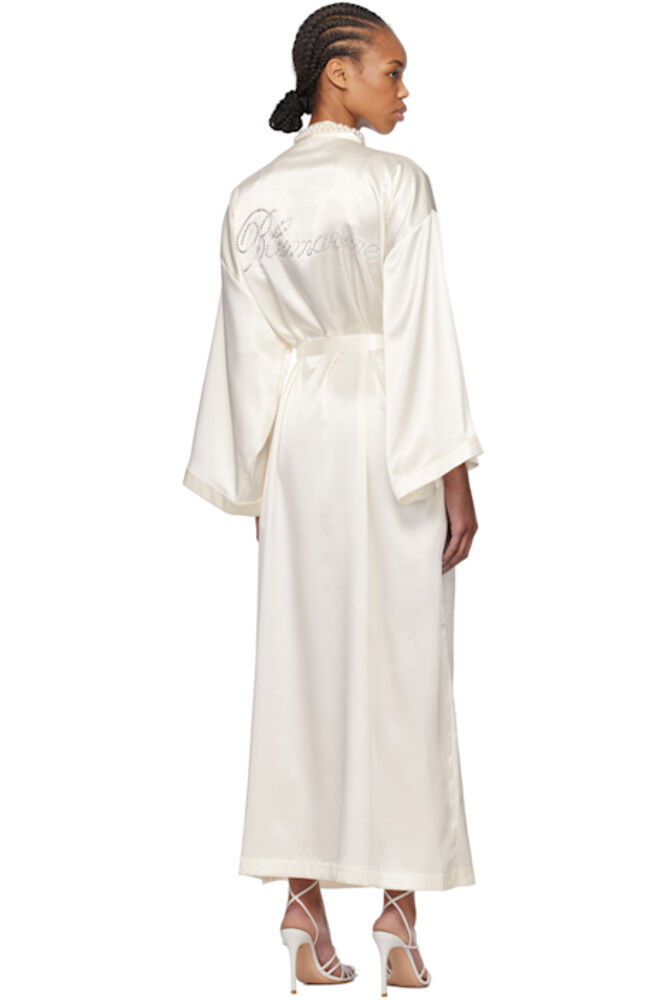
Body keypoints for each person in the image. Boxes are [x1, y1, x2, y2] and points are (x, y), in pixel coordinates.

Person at [182, 3, 483, 993]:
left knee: (301, 664)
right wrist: (454, 474)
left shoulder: (250, 198)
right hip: (394, 431)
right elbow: (422, 332)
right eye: (392, 70)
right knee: (405, 665)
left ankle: (302, 907)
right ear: (337, 73)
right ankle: (399, 913)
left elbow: (247, 350)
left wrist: (258, 474)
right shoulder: (398, 184)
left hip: (301, 439)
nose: (405, 90)